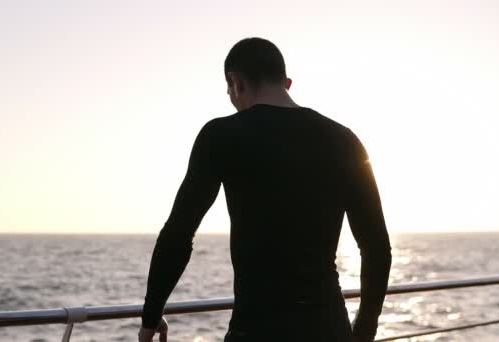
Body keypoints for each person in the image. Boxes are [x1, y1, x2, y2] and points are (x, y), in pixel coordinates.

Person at [137, 37, 392, 342]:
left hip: (256, 330)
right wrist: (363, 332)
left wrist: (151, 316)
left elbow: (178, 235)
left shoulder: (221, 136)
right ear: (286, 83)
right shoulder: (346, 141)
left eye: (230, 90)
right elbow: (377, 249)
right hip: (329, 328)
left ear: (236, 82)